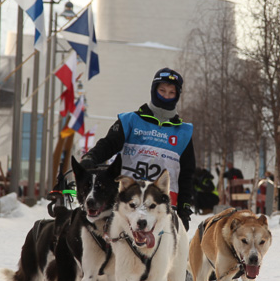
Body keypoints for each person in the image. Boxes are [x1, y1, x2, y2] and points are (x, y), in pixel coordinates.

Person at [81, 68, 196, 228]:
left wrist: (184, 210)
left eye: (171, 92)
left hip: (162, 209)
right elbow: (108, 144)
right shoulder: (130, 121)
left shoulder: (184, 132)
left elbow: (186, 175)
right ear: (153, 90)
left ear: (177, 95)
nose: (166, 96)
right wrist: (90, 157)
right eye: (162, 90)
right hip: (129, 203)